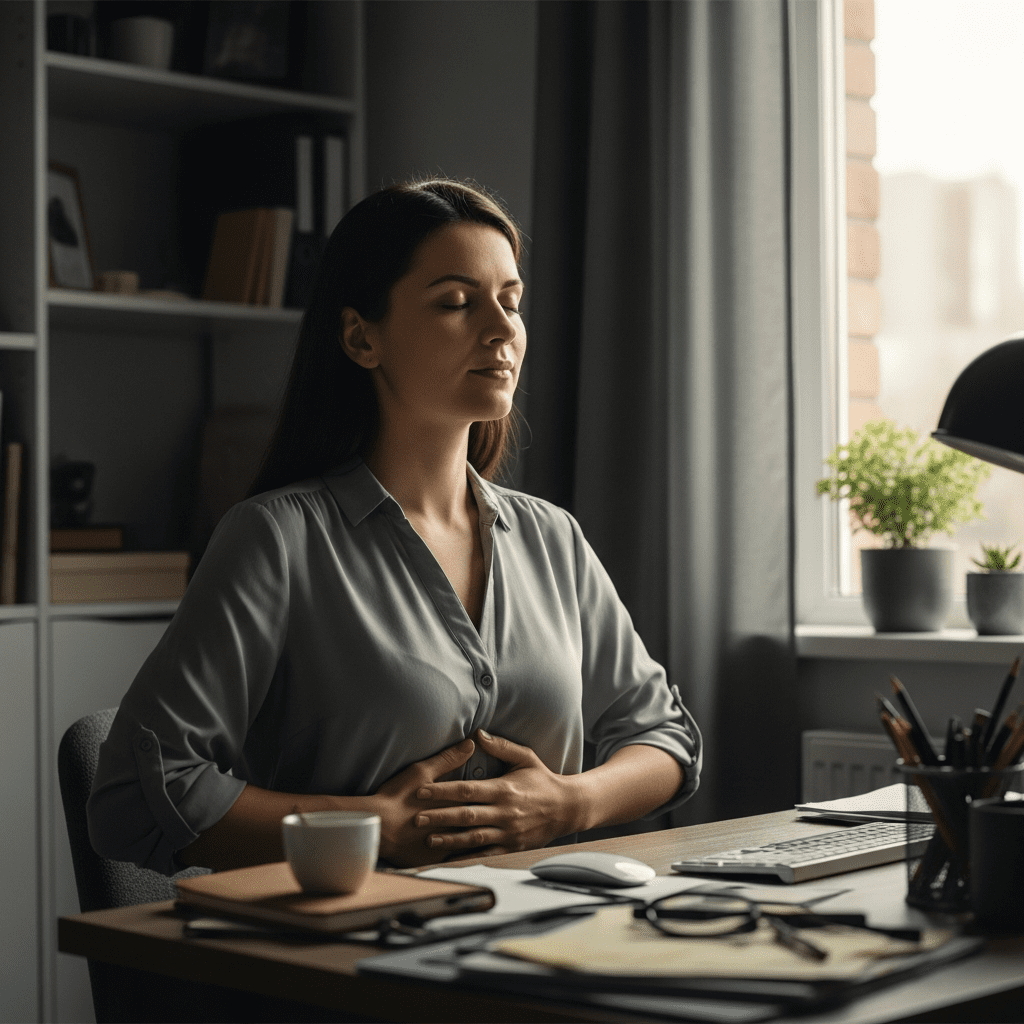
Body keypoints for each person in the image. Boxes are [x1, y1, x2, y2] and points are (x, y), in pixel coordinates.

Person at [88, 178, 702, 875]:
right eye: (456, 303)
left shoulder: (552, 539)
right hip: (353, 958)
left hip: (539, 945)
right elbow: (133, 798)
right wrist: (369, 827)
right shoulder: (276, 541)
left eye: (511, 301)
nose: (502, 330)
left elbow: (664, 738)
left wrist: (567, 803)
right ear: (360, 337)